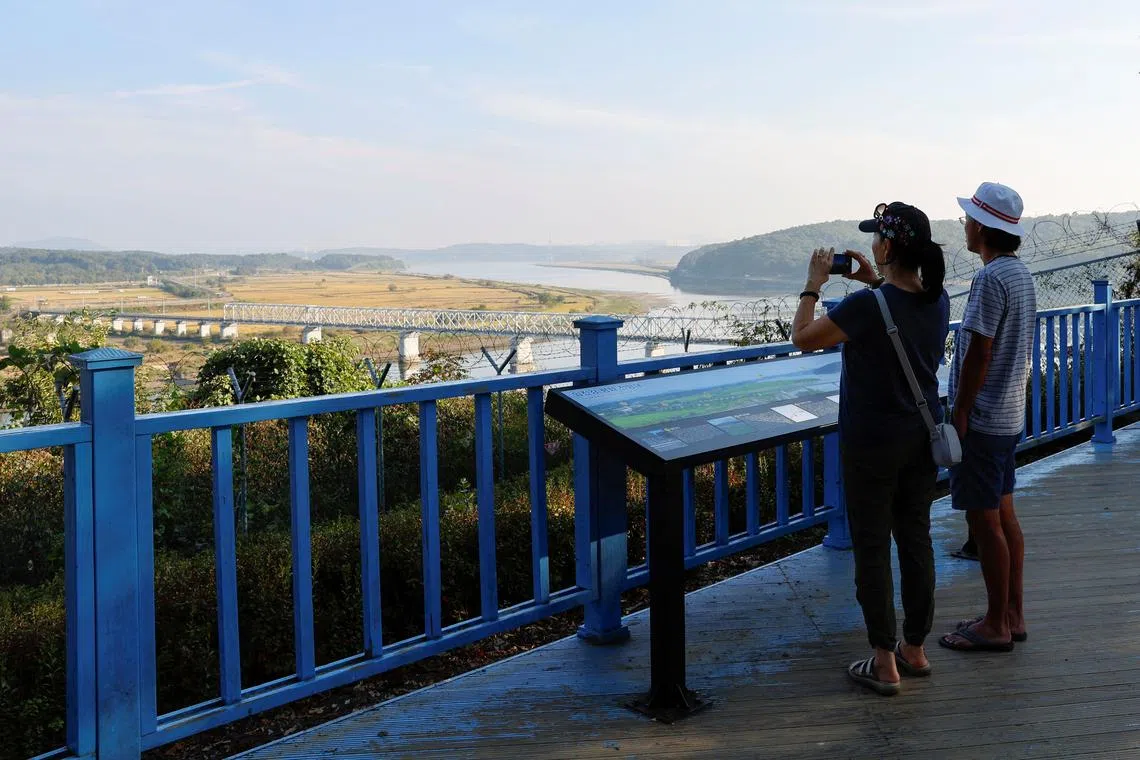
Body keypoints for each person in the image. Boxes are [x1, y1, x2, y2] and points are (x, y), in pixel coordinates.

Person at [791, 202, 950, 696]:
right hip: (922, 441)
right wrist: (873, 282)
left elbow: (803, 338)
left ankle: (884, 661)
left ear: (886, 246)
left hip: (871, 446)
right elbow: (896, 307)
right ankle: (916, 649)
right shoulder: (936, 299)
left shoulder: (866, 308)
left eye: (877, 237)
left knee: (873, 549)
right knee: (916, 539)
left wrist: (814, 284)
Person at [939, 182, 1036, 652]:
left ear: (982, 226)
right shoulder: (1020, 275)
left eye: (968, 219)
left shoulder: (989, 280)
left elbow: (980, 349)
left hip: (982, 419)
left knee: (984, 523)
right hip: (1010, 414)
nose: (964, 225)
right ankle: (1012, 614)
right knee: (1005, 515)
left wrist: (959, 411)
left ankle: (996, 625)